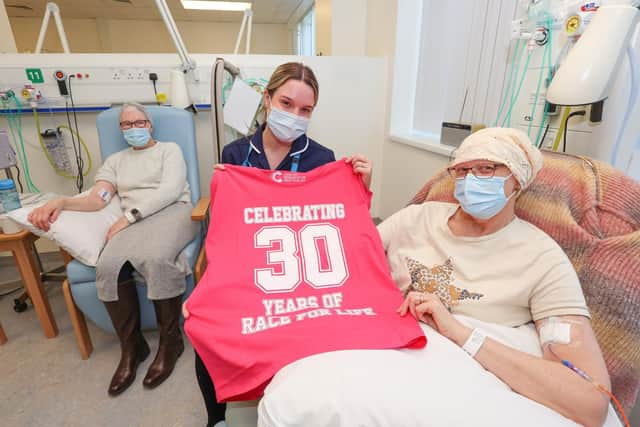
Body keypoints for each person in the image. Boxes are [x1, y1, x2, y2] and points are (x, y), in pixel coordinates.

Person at [379, 127, 611, 427]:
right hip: (386, 357)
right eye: (461, 170)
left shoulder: (542, 259)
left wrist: (460, 333)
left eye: (486, 168)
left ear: (517, 177)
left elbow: (589, 401)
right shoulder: (416, 218)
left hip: (452, 387)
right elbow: (343, 260)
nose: (470, 179)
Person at [184, 62, 372, 427]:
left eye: (305, 110)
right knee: (208, 334)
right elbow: (228, 231)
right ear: (267, 100)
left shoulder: (321, 159)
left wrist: (361, 187)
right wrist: (208, 289)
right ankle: (216, 420)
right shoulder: (236, 154)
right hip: (247, 272)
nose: (294, 116)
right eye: (286, 103)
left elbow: (337, 226)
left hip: (299, 276)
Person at [29, 102, 198, 396]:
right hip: (131, 219)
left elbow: (170, 190)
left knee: (156, 258)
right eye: (126, 125)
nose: (133, 129)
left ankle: (171, 343)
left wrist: (128, 217)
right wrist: (62, 202)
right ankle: (133, 348)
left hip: (174, 212)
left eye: (138, 122)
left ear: (150, 124)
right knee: (109, 265)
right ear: (121, 130)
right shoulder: (116, 161)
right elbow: (98, 198)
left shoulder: (168, 150)